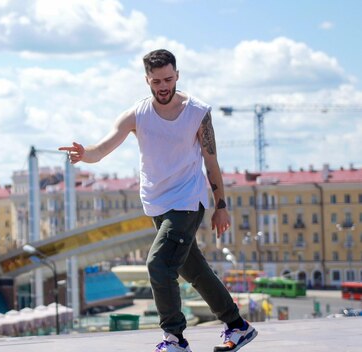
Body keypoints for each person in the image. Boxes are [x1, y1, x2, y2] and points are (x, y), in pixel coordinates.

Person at [59, 49, 257, 352]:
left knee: (158, 265)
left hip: (188, 201)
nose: (163, 86)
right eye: (156, 81)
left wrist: (221, 206)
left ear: (177, 75)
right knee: (194, 271)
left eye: (168, 79)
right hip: (157, 204)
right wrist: (86, 154)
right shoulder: (136, 114)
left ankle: (174, 339)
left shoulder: (198, 112)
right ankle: (237, 326)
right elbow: (102, 148)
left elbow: (211, 162)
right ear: (147, 80)